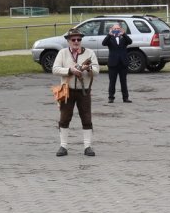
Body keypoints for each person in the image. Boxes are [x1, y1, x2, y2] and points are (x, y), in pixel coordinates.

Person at [52, 27, 100, 157]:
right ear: (68, 40)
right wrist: (70, 70)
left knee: (86, 118)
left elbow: (97, 70)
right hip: (67, 90)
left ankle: (88, 146)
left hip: (84, 91)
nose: (76, 41)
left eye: (79, 39)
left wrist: (88, 68)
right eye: (73, 39)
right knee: (64, 118)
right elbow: (55, 69)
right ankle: (63, 146)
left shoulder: (89, 53)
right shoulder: (62, 53)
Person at [103, 22, 133, 104]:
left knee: (123, 81)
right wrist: (109, 35)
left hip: (123, 63)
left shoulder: (123, 38)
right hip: (113, 63)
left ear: (120, 29)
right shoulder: (110, 38)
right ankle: (111, 97)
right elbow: (103, 43)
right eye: (114, 29)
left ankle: (125, 97)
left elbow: (130, 42)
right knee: (112, 81)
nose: (116, 30)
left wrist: (124, 34)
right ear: (112, 30)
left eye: (118, 29)